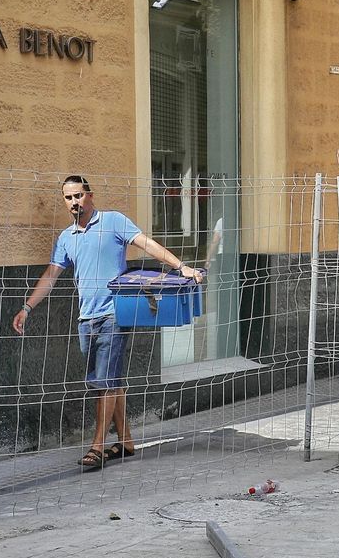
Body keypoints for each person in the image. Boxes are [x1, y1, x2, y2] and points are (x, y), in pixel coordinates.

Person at [12, 175, 205, 471]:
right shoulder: (66, 238)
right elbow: (51, 275)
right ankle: (125, 441)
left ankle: (97, 447)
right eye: (68, 198)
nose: (74, 202)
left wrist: (182, 267)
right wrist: (27, 307)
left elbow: (146, 244)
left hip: (115, 314)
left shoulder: (113, 221)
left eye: (79, 195)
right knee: (108, 382)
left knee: (103, 383)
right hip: (85, 319)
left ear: (90, 195)